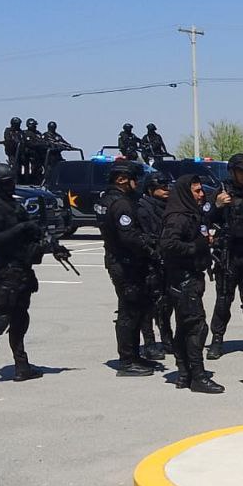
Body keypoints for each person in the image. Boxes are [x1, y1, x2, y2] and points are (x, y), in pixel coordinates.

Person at [0, 163, 46, 388]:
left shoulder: (13, 204)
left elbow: (31, 233)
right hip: (5, 270)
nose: (12, 185)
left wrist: (47, 243)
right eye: (7, 183)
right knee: (0, 319)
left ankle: (21, 364)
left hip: (22, 269)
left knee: (21, 318)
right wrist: (22, 228)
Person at [160, 175, 224, 393]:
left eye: (201, 190)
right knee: (197, 327)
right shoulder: (178, 217)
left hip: (192, 277)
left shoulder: (192, 215)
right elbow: (169, 245)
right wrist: (195, 247)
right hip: (183, 280)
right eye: (196, 191)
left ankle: (185, 373)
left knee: (185, 327)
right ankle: (196, 375)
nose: (201, 194)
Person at [98, 160, 158, 377]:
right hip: (125, 264)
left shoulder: (106, 200)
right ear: (122, 179)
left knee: (134, 309)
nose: (137, 183)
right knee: (129, 311)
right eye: (134, 179)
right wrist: (150, 248)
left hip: (119, 261)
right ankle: (126, 360)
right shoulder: (121, 203)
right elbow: (129, 236)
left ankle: (133, 355)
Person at [207, 154, 243, 360]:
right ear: (232, 172)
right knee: (223, 299)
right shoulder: (222, 191)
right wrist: (217, 205)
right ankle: (217, 339)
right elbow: (206, 219)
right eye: (240, 172)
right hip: (228, 253)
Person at [135, 171, 174, 361]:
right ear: (151, 189)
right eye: (162, 186)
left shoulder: (168, 207)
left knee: (165, 304)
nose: (166, 189)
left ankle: (167, 339)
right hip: (149, 263)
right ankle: (149, 342)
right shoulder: (143, 208)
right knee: (149, 305)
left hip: (167, 261)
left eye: (167, 186)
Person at [22, 118, 46, 184]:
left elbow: (43, 141)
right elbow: (30, 143)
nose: (35, 127)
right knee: (31, 170)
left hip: (39, 155)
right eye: (34, 125)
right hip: (29, 155)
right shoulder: (26, 133)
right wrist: (39, 144)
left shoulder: (38, 133)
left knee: (39, 170)